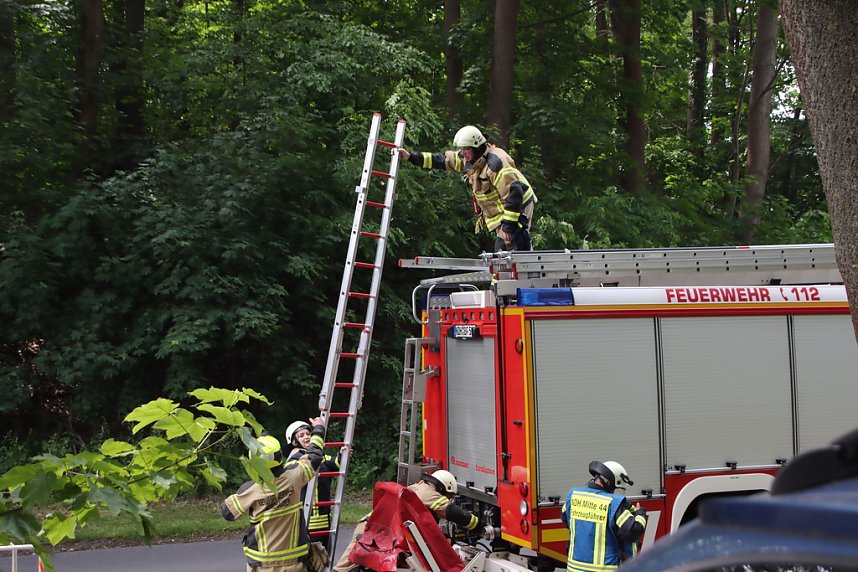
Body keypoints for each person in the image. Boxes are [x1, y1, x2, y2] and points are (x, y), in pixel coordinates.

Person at [397, 125, 537, 252]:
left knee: (507, 244)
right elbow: (441, 160)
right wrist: (411, 157)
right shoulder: (469, 159)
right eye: (462, 149)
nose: (463, 153)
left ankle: (516, 275)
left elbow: (515, 192)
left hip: (518, 204)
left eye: (466, 149)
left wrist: (509, 224)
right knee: (507, 248)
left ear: (477, 147)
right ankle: (516, 272)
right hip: (503, 207)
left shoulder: (496, 165)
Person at [221, 421, 329, 572]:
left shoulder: (250, 489)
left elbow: (228, 512)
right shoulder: (294, 476)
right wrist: (318, 429)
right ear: (279, 456)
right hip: (295, 563)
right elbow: (314, 455)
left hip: (263, 564)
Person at [332, 469, 480, 572]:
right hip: (377, 533)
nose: (447, 499)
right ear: (442, 488)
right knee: (344, 568)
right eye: (448, 496)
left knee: (350, 565)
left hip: (375, 528)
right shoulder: (429, 493)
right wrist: (478, 525)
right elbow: (453, 512)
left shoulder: (415, 487)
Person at [561, 460, 648, 571]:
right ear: (608, 483)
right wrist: (641, 513)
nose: (613, 492)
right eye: (615, 488)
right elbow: (632, 532)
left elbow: (565, 519)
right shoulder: (613, 503)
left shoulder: (574, 495)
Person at [284, 419, 347, 553]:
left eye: (308, 433)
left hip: (324, 520)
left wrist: (342, 455)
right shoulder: (294, 460)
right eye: (301, 435)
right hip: (305, 521)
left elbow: (335, 464)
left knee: (325, 559)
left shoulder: (321, 457)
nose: (306, 437)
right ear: (294, 442)